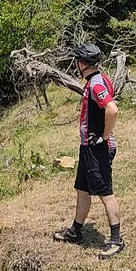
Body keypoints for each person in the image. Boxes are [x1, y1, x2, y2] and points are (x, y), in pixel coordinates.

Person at [52, 43, 124, 257]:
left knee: (105, 192)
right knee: (82, 189)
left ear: (81, 63)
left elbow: (112, 109)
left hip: (97, 148)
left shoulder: (96, 84)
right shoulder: (94, 81)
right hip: (87, 147)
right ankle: (75, 231)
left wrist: (104, 136)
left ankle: (116, 240)